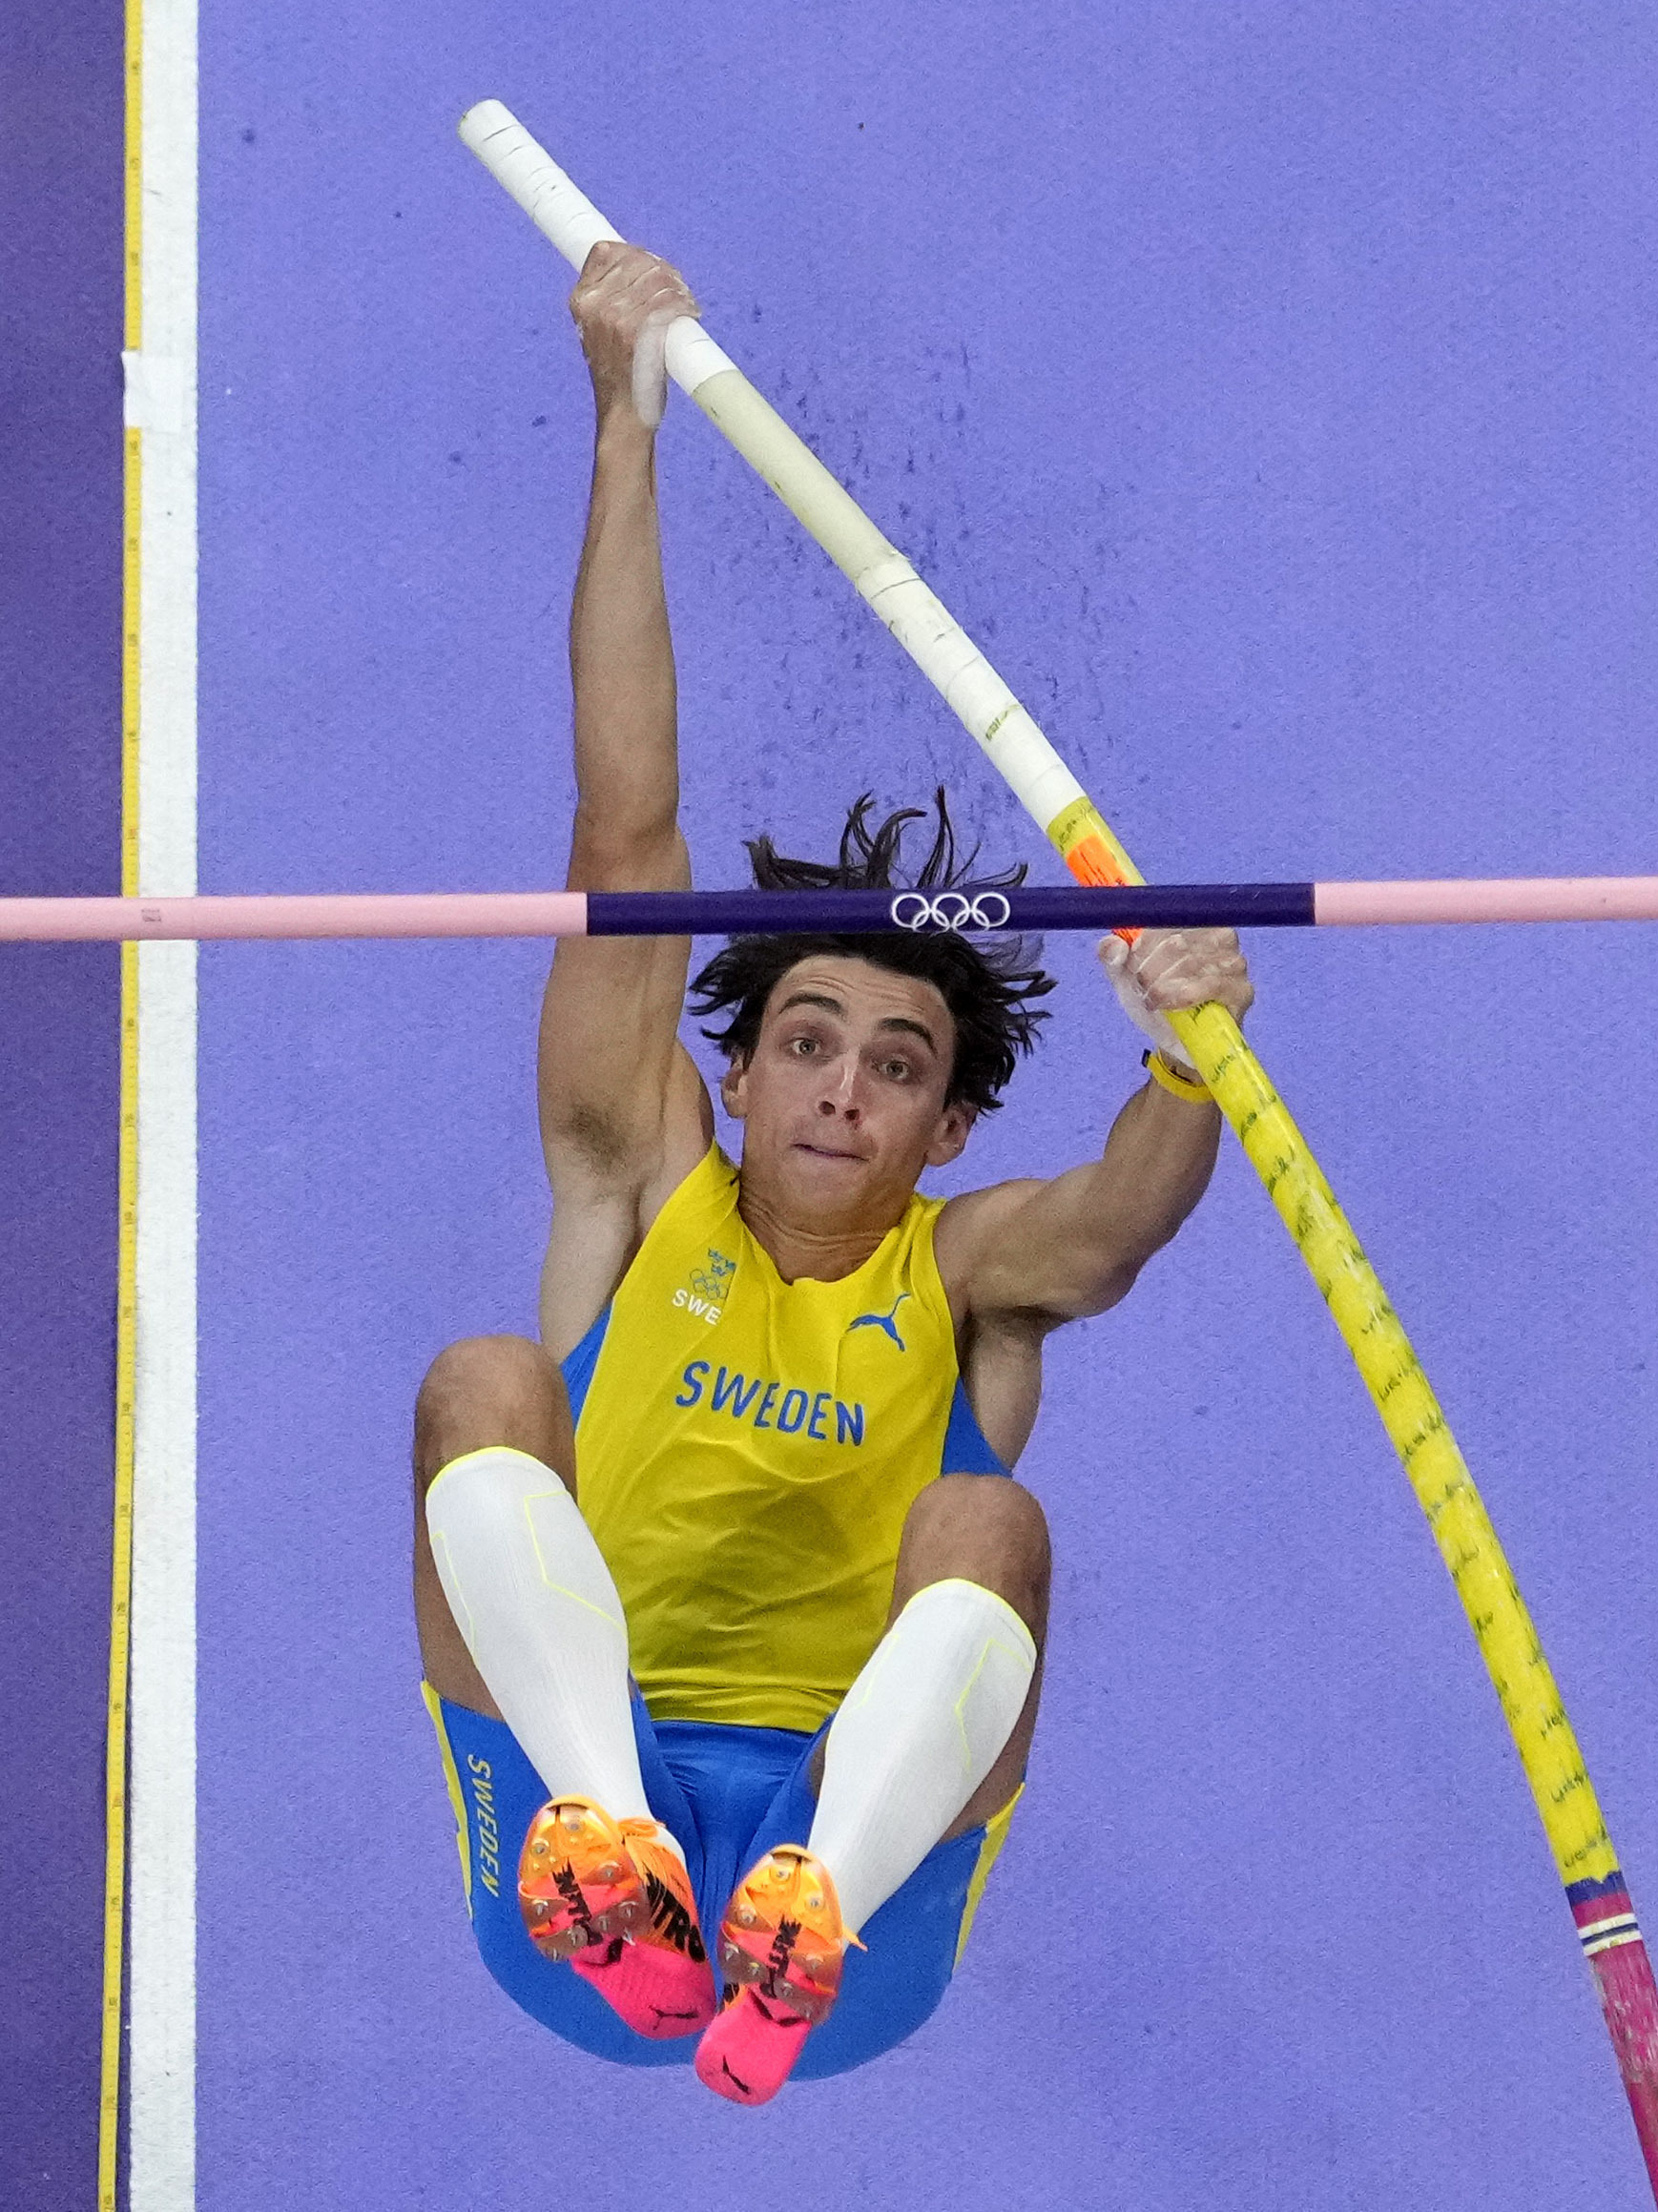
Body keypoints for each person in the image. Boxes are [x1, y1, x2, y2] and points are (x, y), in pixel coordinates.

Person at [412, 238, 1255, 2105]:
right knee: (483, 1383)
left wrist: (1189, 1043)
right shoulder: (636, 1187)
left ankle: (805, 1902)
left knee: (993, 1535)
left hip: (857, 1916)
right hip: (575, 1837)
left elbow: (1120, 1214)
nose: (840, 1092)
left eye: (896, 1065)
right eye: (804, 1041)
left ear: (949, 1127)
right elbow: (624, 814)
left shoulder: (968, 1276)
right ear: (731, 1064)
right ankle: (612, 1848)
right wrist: (620, 425)